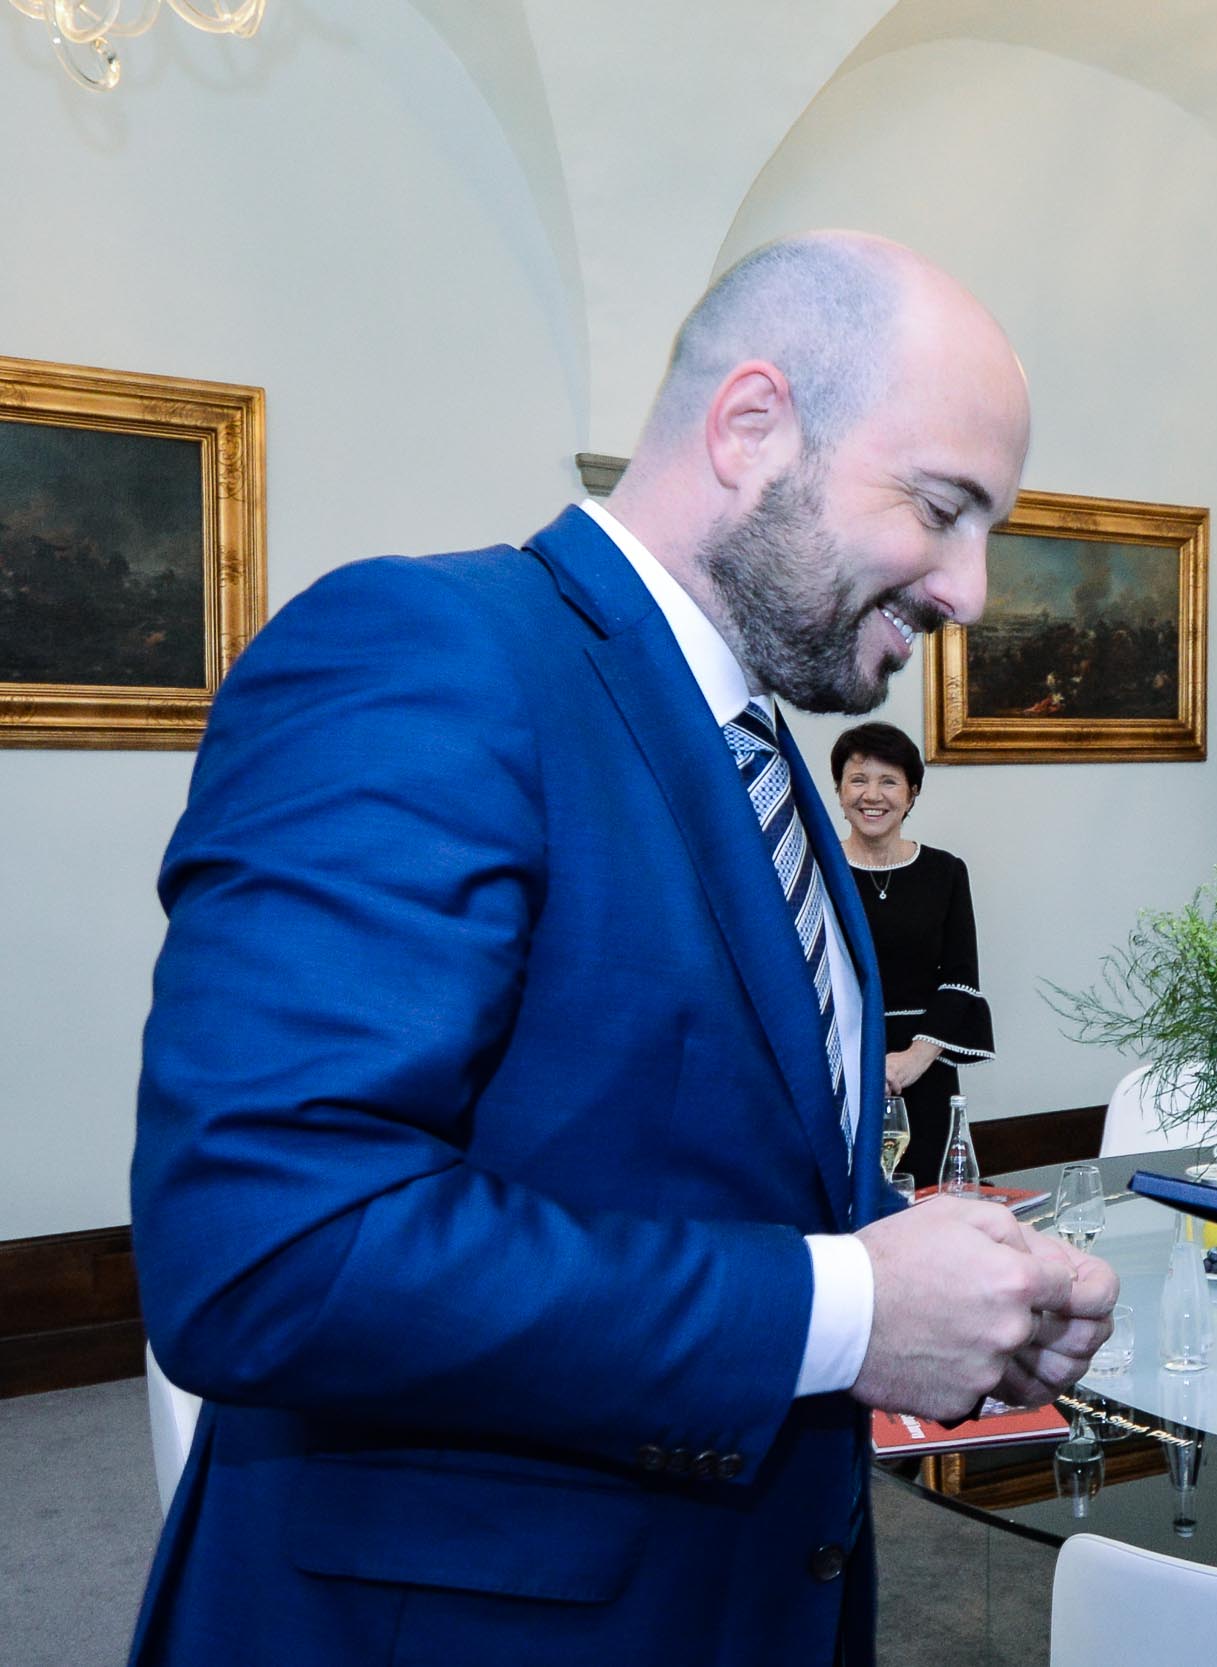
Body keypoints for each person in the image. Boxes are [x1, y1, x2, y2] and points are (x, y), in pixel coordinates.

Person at [126, 231, 1117, 1667]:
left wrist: (952, 1286)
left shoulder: (758, 749)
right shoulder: (426, 651)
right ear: (751, 425)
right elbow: (269, 1243)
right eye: (941, 507)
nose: (970, 588)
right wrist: (850, 1310)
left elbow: (718, 1163)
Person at [832, 720, 994, 1187]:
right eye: (858, 780)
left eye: (889, 781)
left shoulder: (946, 871)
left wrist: (912, 1060)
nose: (872, 795)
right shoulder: (817, 866)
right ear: (839, 791)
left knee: (931, 1200)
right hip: (839, 1065)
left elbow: (960, 978)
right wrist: (859, 1062)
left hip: (925, 1069)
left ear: (912, 793)